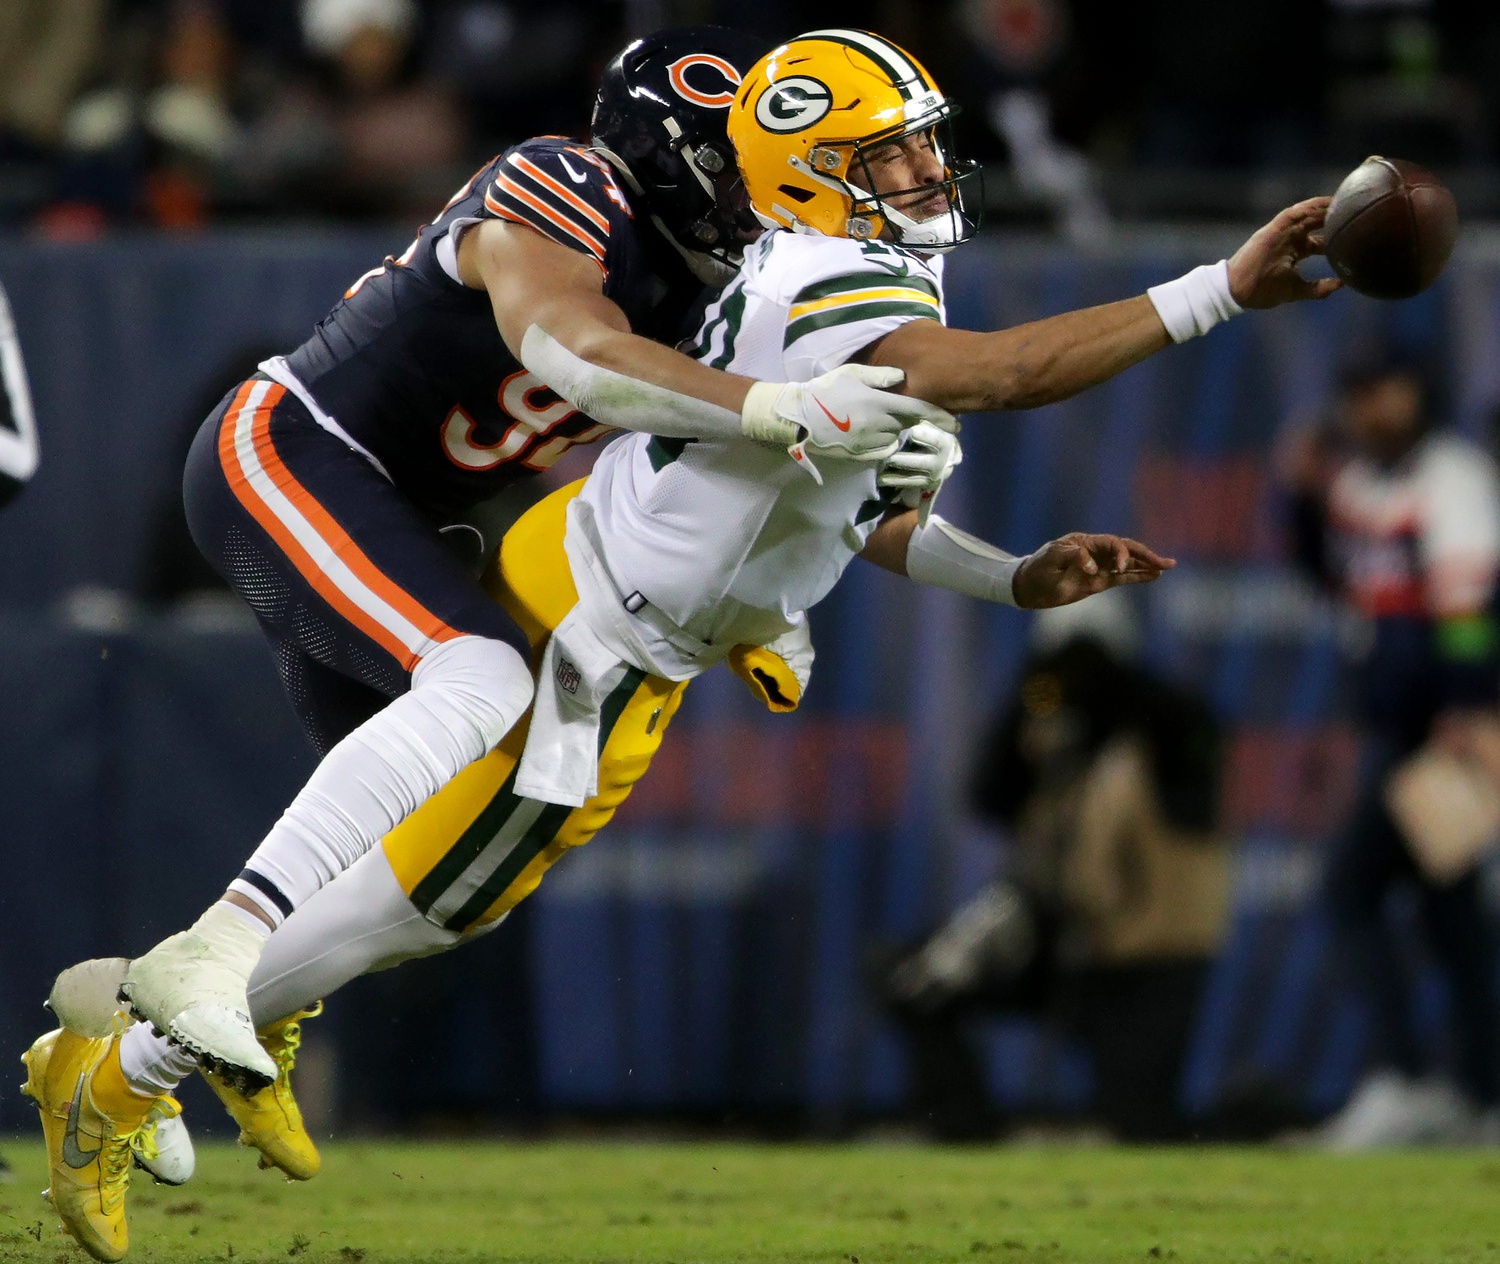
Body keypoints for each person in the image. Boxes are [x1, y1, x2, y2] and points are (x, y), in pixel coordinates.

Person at [28, 27, 1338, 1261]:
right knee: (444, 794)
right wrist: (1216, 289)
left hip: (502, 533)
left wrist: (961, 570)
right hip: (322, 464)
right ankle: (184, 991)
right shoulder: (580, 194)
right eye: (883, 153)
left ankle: (160, 1026)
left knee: (399, 861)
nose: (920, 173)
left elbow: (772, 478)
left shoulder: (760, 273)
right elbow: (594, 361)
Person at [880, 601, 1230, 1141]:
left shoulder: (1161, 727)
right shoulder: (1048, 716)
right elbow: (989, 795)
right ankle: (964, 1136)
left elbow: (1198, 754)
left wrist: (1114, 690)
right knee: (911, 979)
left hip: (1142, 954)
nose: (1080, 681)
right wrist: (1035, 690)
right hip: (1058, 936)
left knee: (1138, 1120)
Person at [1280, 353, 1500, 1148]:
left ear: (1422, 394)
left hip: (1440, 732)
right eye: (1357, 393)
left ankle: (1406, 1082)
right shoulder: (1357, 483)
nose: (1370, 409)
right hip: (1398, 728)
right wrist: (1301, 501)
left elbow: (1469, 608)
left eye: (1384, 391)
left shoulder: (1452, 477)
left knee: (1350, 889)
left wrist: (1471, 707)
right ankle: (1480, 1095)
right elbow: (1330, 577)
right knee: (1452, 918)